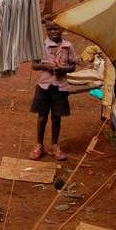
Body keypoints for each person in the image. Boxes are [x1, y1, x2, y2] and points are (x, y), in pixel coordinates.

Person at [29, 21, 77, 161]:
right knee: (42, 117)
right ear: (46, 31)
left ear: (61, 29)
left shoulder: (68, 47)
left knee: (56, 117)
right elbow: (34, 65)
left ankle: (55, 145)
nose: (53, 32)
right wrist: (47, 66)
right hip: (44, 86)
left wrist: (63, 69)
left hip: (60, 86)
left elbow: (73, 66)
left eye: (56, 29)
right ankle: (39, 145)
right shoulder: (41, 45)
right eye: (50, 29)